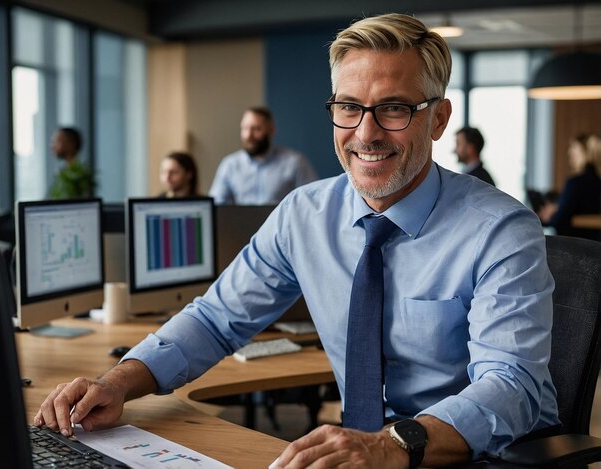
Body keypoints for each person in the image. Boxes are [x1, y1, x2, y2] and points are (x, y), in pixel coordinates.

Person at [34, 13, 559, 467]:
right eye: (349, 107)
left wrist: (392, 446)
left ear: (438, 118)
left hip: (480, 454)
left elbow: (510, 387)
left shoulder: (500, 230)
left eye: (393, 109)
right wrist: (119, 382)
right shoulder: (304, 214)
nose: (366, 133)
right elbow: (216, 319)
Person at [208, 106, 317, 204]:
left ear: (271, 131)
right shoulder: (230, 164)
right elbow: (217, 205)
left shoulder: (295, 162)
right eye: (245, 128)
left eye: (256, 129)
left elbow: (311, 200)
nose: (248, 135)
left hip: (281, 225)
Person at [539, 133, 601, 241]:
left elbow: (559, 220)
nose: (570, 152)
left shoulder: (576, 183)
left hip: (578, 248)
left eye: (574, 147)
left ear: (585, 151)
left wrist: (550, 216)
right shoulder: (596, 181)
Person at [48, 127, 96, 199]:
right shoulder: (63, 172)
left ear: (71, 144)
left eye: (56, 141)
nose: (52, 146)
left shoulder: (80, 176)